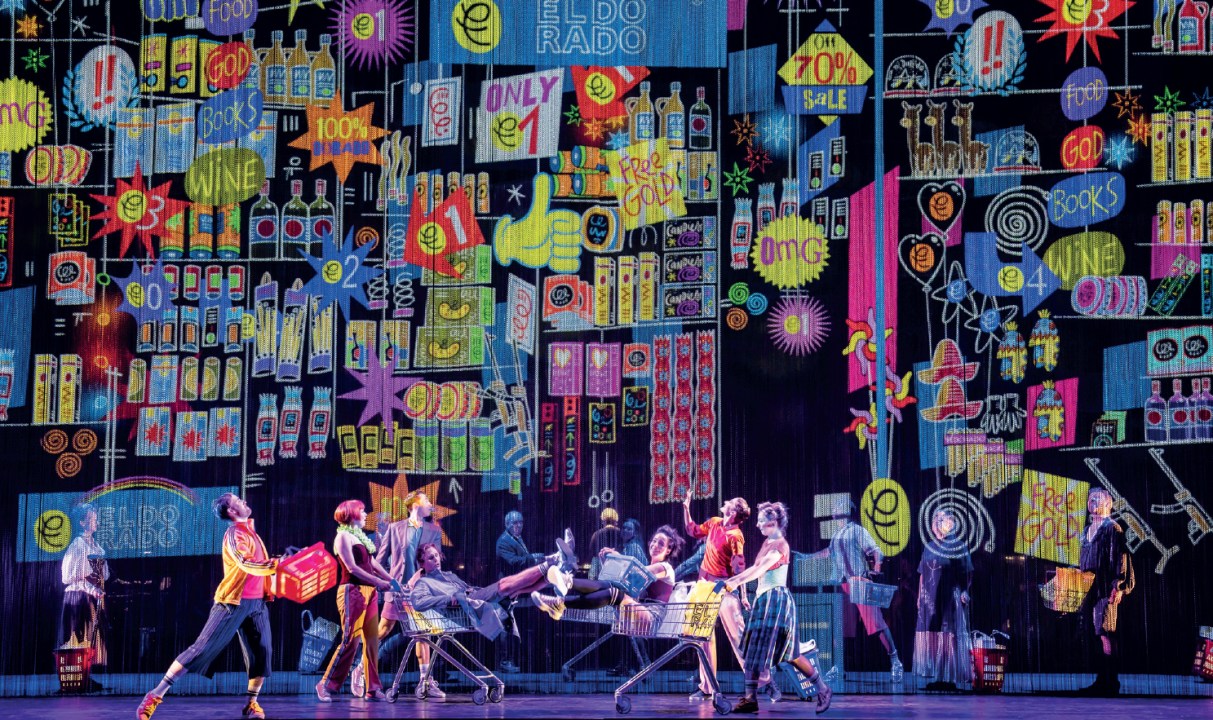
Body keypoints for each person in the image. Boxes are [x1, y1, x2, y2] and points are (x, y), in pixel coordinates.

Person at [136, 494, 277, 720]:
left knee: (262, 652)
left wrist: (280, 565)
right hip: (232, 602)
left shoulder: (251, 531)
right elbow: (245, 562)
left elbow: (262, 567)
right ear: (231, 511)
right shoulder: (234, 533)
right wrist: (274, 565)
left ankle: (251, 704)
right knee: (200, 649)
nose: (244, 501)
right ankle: (155, 695)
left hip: (257, 603)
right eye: (238, 501)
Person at [725, 502, 831, 714]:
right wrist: (741, 587)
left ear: (773, 522)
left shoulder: (780, 545)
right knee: (752, 650)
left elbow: (760, 569)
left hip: (776, 600)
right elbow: (756, 568)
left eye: (761, 521)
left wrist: (733, 582)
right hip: (763, 599)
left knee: (790, 653)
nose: (757, 525)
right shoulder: (767, 542)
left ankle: (823, 689)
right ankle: (750, 699)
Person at [684, 494, 768, 701]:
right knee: (702, 637)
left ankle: (763, 679)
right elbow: (693, 530)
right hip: (704, 587)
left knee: (738, 635)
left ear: (732, 511)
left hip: (724, 588)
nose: (725, 503)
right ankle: (707, 687)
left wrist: (743, 595)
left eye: (729, 503)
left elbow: (740, 569)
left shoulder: (736, 536)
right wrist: (686, 508)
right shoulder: (714, 523)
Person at [315, 500, 394, 703]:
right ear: (351, 514)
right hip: (353, 590)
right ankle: (325, 684)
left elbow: (372, 563)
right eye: (362, 511)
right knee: (351, 639)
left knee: (372, 641)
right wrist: (378, 581)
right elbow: (351, 567)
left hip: (370, 592)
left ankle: (373, 688)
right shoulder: (342, 536)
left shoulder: (359, 536)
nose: (366, 514)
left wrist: (391, 581)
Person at [531, 524, 686, 619]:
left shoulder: (665, 568)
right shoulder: (648, 566)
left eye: (661, 544)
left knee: (614, 593)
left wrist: (618, 557)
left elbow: (637, 572)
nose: (655, 545)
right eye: (654, 541)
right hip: (638, 610)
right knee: (610, 585)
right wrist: (607, 562)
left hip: (651, 617)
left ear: (668, 550)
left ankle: (562, 596)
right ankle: (565, 586)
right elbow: (623, 581)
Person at [374, 491, 443, 698]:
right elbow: (379, 560)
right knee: (383, 629)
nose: (430, 504)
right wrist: (383, 582)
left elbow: (435, 562)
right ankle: (361, 669)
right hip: (397, 591)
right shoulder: (395, 528)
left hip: (420, 592)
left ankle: (425, 681)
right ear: (415, 504)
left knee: (423, 634)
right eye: (427, 500)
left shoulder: (433, 530)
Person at [827, 497, 902, 682]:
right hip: (843, 586)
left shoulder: (856, 530)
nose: (835, 511)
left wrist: (876, 570)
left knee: (876, 623)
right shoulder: (836, 536)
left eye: (838, 508)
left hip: (859, 583)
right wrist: (806, 557)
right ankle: (838, 666)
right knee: (840, 627)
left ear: (847, 511)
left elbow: (877, 551)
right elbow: (828, 554)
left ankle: (895, 661)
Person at [410, 540, 574, 612]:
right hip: (464, 606)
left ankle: (554, 574)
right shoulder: (424, 582)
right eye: (431, 558)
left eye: (436, 555)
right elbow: (418, 602)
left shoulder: (449, 575)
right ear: (422, 564)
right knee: (504, 585)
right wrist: (448, 599)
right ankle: (553, 561)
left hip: (472, 598)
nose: (436, 559)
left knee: (514, 589)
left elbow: (467, 588)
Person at [1078, 487, 1134, 696]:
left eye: (1097, 499)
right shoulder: (1087, 530)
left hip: (1105, 588)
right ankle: (1101, 679)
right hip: (1089, 588)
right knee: (1095, 633)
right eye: (1090, 499)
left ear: (1108, 504)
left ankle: (1110, 681)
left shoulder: (1112, 528)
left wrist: (1118, 585)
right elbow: (1084, 559)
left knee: (1105, 633)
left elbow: (1120, 558)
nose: (1092, 502)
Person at [913, 508, 973, 691]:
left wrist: (965, 591)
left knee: (948, 634)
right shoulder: (929, 546)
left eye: (943, 519)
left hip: (949, 598)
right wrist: (919, 596)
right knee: (932, 634)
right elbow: (922, 573)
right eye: (936, 519)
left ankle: (949, 676)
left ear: (951, 522)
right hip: (929, 599)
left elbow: (968, 572)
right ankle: (936, 675)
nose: (939, 522)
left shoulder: (957, 545)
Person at [494, 510, 561, 673]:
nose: (518, 526)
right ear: (507, 524)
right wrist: (538, 558)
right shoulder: (503, 541)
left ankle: (521, 659)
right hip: (509, 588)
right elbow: (514, 562)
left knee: (516, 626)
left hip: (518, 587)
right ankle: (505, 661)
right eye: (515, 523)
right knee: (507, 626)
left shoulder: (516, 538)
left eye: (521, 522)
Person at [61, 504, 109, 684]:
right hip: (78, 597)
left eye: (95, 519)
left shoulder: (96, 546)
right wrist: (91, 589)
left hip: (92, 597)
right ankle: (77, 678)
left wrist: (97, 586)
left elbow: (104, 574)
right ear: (82, 522)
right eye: (91, 519)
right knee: (79, 637)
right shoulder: (78, 545)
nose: (96, 522)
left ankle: (86, 676)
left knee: (92, 638)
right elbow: (68, 576)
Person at [588, 508, 622, 579]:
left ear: (603, 521)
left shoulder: (596, 534)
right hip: (617, 565)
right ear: (615, 520)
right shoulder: (621, 533)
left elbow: (591, 551)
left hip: (599, 566)